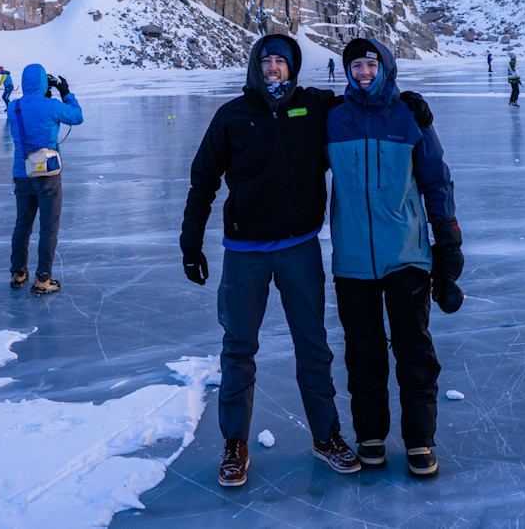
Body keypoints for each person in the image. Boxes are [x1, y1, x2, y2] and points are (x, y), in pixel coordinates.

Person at [181, 35, 361, 487]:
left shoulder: (315, 106)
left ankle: (326, 436)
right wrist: (191, 242)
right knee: (238, 350)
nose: (274, 67)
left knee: (313, 347)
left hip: (300, 248)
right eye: (267, 60)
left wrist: (408, 102)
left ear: (293, 67)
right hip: (245, 254)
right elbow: (203, 180)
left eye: (281, 60)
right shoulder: (233, 116)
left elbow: (364, 104)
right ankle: (234, 444)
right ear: (256, 67)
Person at [327, 38, 463, 478]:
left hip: (406, 255)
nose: (363, 73)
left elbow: (436, 179)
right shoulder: (333, 121)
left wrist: (447, 237)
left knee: (413, 348)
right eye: (356, 66)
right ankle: (370, 435)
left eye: (371, 64)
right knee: (362, 351)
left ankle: (420, 438)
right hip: (351, 259)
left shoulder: (409, 116)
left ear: (384, 68)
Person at [7, 64, 82, 294]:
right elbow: (77, 117)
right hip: (48, 175)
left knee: (22, 226)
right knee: (48, 227)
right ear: (43, 82)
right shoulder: (51, 105)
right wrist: (65, 92)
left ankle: (18, 273)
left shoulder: (13, 107)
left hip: (22, 174)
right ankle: (42, 279)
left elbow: (30, 115)